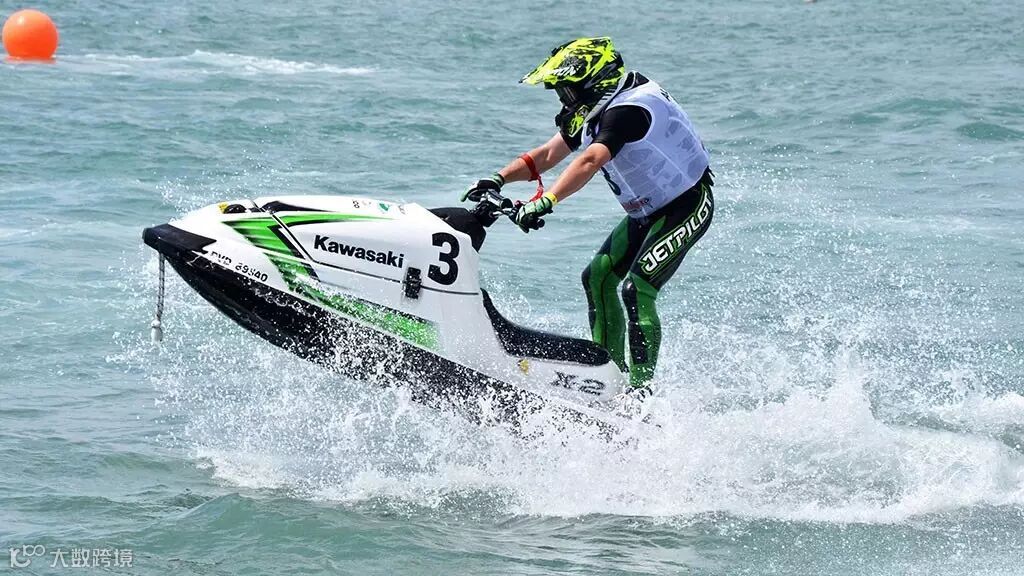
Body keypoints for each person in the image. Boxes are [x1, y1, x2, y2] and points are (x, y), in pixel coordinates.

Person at [464, 37, 714, 412]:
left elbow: (590, 161)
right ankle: (610, 380)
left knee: (636, 289)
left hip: (688, 205)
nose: (563, 99)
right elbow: (548, 154)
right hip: (647, 212)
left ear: (593, 82)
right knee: (597, 278)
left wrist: (546, 201)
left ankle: (641, 396)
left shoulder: (628, 110)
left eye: (567, 90)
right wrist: (497, 179)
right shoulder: (597, 107)